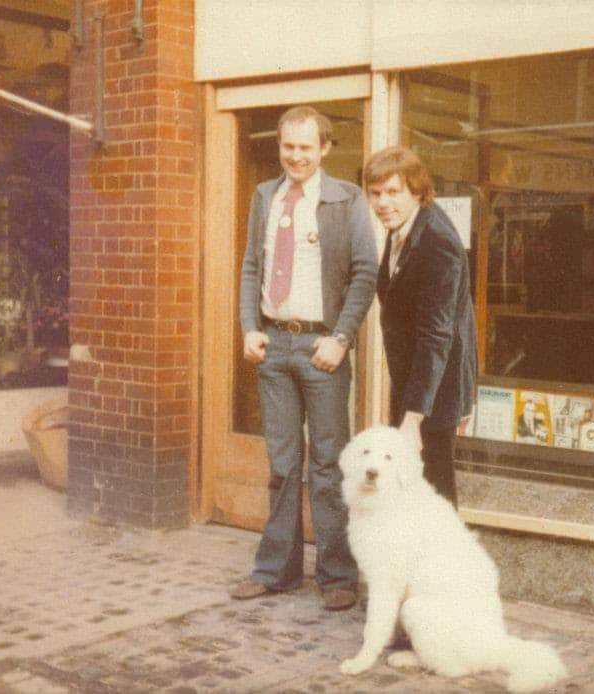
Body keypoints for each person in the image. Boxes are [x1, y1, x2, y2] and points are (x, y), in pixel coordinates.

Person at [229, 106, 378, 610]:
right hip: (274, 346)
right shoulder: (265, 196)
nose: (296, 156)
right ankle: (277, 570)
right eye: (288, 147)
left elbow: (364, 272)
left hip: (321, 350)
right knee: (282, 464)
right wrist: (250, 327)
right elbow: (252, 265)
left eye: (306, 148)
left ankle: (337, 577)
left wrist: (341, 337)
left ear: (325, 149)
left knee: (330, 465)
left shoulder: (347, 198)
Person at [363, 146, 477, 507]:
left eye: (393, 192)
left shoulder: (437, 241)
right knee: (414, 493)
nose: (383, 202)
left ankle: (448, 565)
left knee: (435, 495)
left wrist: (413, 419)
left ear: (417, 190)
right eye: (376, 193)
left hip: (433, 393)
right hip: (416, 385)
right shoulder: (405, 226)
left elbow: (436, 337)